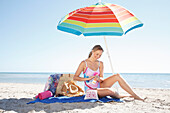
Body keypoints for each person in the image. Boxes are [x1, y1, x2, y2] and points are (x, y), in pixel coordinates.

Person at [73, 45, 146, 101]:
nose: (98, 56)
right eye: (96, 54)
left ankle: (134, 95)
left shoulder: (100, 63)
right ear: (92, 51)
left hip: (99, 85)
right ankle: (126, 96)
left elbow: (101, 77)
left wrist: (99, 79)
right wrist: (88, 78)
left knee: (117, 76)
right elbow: (75, 77)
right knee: (110, 91)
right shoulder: (84, 63)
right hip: (90, 90)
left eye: (100, 55)